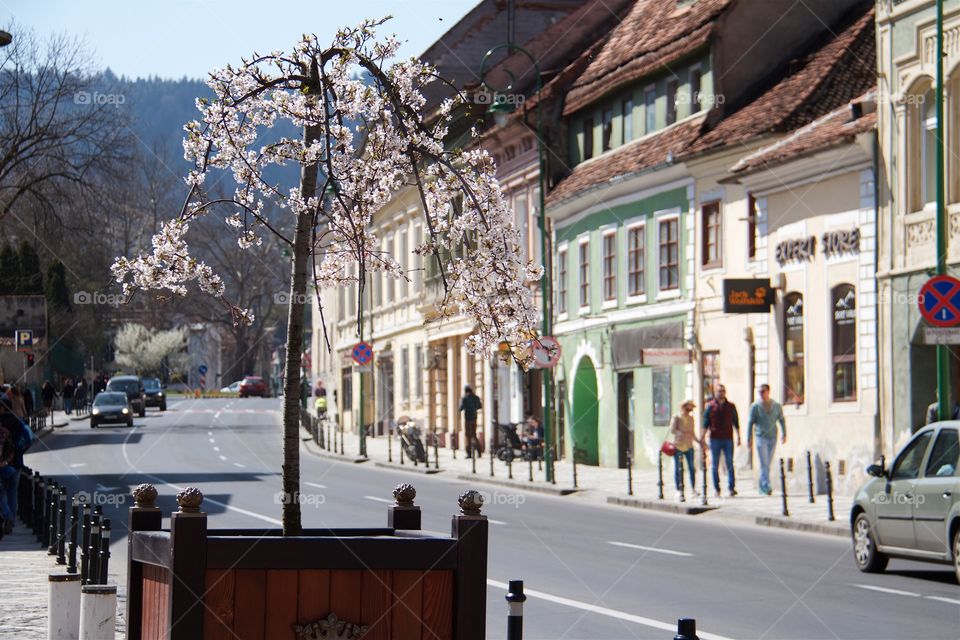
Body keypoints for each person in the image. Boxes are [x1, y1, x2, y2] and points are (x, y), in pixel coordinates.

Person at [701, 383, 741, 498]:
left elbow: (736, 422)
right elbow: (705, 422)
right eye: (719, 391)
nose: (721, 393)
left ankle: (731, 488)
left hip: (728, 438)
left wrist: (739, 436)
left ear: (725, 392)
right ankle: (716, 489)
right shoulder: (710, 406)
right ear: (715, 392)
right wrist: (702, 437)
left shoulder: (731, 406)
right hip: (715, 438)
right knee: (714, 465)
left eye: (723, 391)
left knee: (729, 463)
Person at [747, 384, 787, 496]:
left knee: (767, 463)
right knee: (764, 462)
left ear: (768, 391)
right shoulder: (755, 406)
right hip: (760, 437)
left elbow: (781, 420)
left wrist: (784, 433)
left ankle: (762, 486)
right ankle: (766, 485)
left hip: (772, 437)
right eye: (759, 391)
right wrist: (748, 438)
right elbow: (750, 422)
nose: (761, 393)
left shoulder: (776, 406)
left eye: (763, 391)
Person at [0, 395, 32, 536]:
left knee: (1, 493)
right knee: (13, 492)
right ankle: (10, 521)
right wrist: (19, 451)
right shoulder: (18, 422)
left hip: (2, 464)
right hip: (17, 463)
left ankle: (8, 516)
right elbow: (28, 439)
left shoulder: (1, 423)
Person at [670, 400, 703, 498]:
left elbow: (692, 432)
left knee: (692, 468)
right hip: (678, 446)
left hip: (689, 446)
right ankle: (679, 490)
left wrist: (699, 442)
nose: (691, 409)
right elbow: (672, 429)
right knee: (678, 469)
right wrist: (680, 433)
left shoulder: (691, 418)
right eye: (690, 407)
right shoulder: (676, 417)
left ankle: (693, 490)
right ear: (685, 406)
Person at [459, 385, 482, 458]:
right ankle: (479, 452)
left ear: (466, 391)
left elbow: (460, 408)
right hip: (474, 418)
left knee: (468, 436)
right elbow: (479, 406)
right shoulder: (476, 397)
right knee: (474, 435)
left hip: (468, 419)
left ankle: (469, 453)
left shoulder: (464, 398)